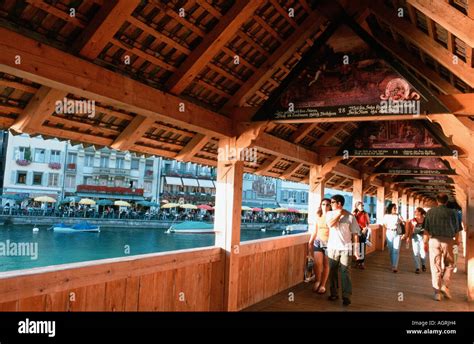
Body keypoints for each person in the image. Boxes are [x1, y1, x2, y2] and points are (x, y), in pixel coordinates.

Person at [423, 194, 461, 301]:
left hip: (434, 240)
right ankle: (445, 285)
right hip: (449, 240)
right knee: (450, 264)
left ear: (437, 201)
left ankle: (437, 293)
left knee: (435, 265)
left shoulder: (430, 212)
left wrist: (425, 242)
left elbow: (426, 229)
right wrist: (456, 241)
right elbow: (458, 229)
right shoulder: (453, 213)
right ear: (447, 201)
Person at [326, 195, 360, 306]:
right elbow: (331, 224)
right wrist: (340, 214)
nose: (330, 204)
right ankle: (334, 293)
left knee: (345, 272)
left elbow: (355, 234)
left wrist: (356, 250)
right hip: (332, 247)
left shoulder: (350, 216)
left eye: (332, 202)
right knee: (332, 271)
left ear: (339, 203)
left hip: (346, 248)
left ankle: (346, 296)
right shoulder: (329, 214)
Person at [308, 198, 331, 294]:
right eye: (323, 204)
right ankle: (317, 280)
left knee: (326, 265)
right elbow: (315, 231)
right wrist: (310, 242)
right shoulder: (318, 217)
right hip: (318, 242)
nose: (325, 206)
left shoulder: (332, 217)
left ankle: (323, 285)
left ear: (330, 206)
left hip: (329, 243)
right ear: (321, 205)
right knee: (317, 264)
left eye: (327, 204)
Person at [382, 203, 405, 273]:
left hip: (397, 233)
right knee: (391, 251)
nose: (395, 209)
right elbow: (384, 225)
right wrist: (389, 227)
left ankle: (394, 266)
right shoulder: (386, 216)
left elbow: (404, 223)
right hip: (389, 233)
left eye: (396, 208)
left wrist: (401, 222)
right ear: (390, 208)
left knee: (396, 250)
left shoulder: (398, 215)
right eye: (394, 208)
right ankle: (393, 264)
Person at [405, 207, 427, 274]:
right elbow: (410, 229)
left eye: (416, 211)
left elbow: (428, 229)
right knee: (416, 252)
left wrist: (428, 238)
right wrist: (408, 237)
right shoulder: (413, 220)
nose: (415, 212)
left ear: (420, 212)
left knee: (423, 253)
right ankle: (417, 267)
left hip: (423, 237)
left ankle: (423, 264)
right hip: (415, 237)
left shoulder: (426, 220)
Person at [353, 201, 370, 269]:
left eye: (363, 205)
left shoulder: (365, 213)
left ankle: (362, 263)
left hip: (363, 231)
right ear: (357, 206)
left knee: (362, 247)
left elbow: (368, 223)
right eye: (361, 205)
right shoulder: (354, 213)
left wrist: (365, 229)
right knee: (356, 246)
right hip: (356, 231)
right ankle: (357, 262)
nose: (362, 207)